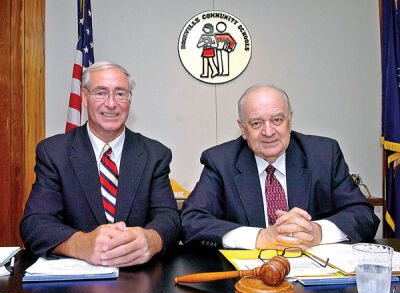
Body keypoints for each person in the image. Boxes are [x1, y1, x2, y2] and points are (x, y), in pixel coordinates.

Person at [181, 85, 379, 250]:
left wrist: (317, 232)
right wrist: (261, 237)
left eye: (277, 120)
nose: (268, 132)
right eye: (256, 123)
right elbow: (191, 221)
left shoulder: (324, 155)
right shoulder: (221, 161)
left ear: (289, 120)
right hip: (247, 283)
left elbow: (363, 215)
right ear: (243, 128)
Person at [20, 62, 180, 267]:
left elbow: (169, 218)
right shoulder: (54, 152)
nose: (111, 103)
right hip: (74, 289)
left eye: (121, 94)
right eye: (101, 93)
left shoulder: (155, 154)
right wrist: (81, 244)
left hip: (139, 281)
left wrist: (152, 239)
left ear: (130, 100)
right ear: (84, 97)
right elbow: (35, 224)